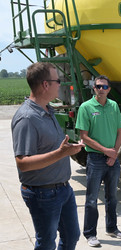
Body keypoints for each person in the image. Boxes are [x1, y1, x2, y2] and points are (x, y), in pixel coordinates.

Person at [11, 62, 84, 249]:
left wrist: (67, 149)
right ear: (45, 85)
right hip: (43, 193)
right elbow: (23, 163)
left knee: (72, 236)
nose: (60, 85)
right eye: (58, 81)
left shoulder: (48, 110)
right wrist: (60, 153)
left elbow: (49, 147)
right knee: (46, 243)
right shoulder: (27, 118)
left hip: (63, 189)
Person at [75, 75, 121, 247]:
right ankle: (90, 234)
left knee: (112, 197)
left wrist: (114, 154)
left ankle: (112, 228)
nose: (101, 90)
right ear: (93, 88)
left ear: (109, 89)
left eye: (105, 87)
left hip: (113, 159)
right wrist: (105, 151)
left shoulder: (113, 107)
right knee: (91, 199)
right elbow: (84, 137)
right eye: (98, 86)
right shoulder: (86, 107)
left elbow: (120, 132)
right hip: (95, 158)